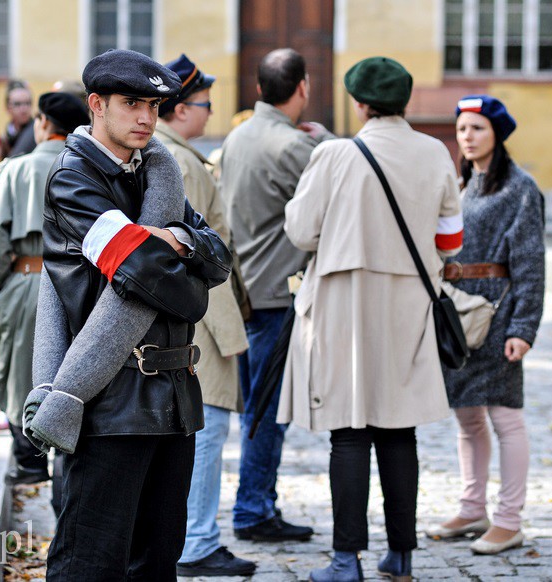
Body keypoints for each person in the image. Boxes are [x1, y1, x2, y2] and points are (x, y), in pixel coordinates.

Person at [22, 49, 232, 580]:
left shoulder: (158, 173)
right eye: (131, 103)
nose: (145, 117)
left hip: (174, 400)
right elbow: (151, 275)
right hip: (110, 402)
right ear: (96, 104)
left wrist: (177, 240)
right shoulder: (73, 180)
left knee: (157, 563)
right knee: (88, 563)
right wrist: (184, 259)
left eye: (153, 106)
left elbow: (219, 258)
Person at [278, 56, 464, 582]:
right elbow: (452, 240)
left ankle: (345, 561)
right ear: (404, 101)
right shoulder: (435, 152)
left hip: (344, 304)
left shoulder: (334, 154)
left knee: (349, 433)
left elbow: (300, 231)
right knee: (400, 430)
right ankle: (400, 556)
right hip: (409, 305)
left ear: (359, 104)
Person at [220, 47, 332, 543]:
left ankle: (257, 503)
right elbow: (339, 188)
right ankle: (252, 509)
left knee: (256, 407)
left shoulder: (239, 135)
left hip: (244, 289)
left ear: (259, 88)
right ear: (303, 87)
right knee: (268, 412)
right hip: (277, 294)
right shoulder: (295, 147)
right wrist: (324, 139)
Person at [425, 95, 545, 555]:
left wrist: (523, 328)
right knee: (467, 415)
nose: (467, 137)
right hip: (458, 314)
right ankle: (472, 508)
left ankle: (509, 520)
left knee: (505, 417)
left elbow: (530, 263)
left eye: (477, 128)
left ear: (497, 132)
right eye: (462, 129)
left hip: (498, 313)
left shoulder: (519, 188)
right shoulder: (461, 184)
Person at [155, 54, 255, 578]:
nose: (210, 112)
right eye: (204, 104)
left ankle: (192, 538)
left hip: (193, 317)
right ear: (180, 109)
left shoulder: (171, 155)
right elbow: (195, 254)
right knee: (208, 430)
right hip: (202, 321)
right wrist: (225, 333)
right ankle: (197, 542)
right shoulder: (182, 162)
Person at [0, 92, 90, 494]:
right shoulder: (93, 168)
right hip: (86, 284)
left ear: (42, 123)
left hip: (28, 279)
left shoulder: (14, 170)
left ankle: (31, 463)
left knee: (22, 376)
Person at [0, 79, 36, 159]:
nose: (24, 109)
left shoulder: (38, 132)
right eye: (17, 104)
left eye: (27, 103)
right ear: (7, 108)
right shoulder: (4, 138)